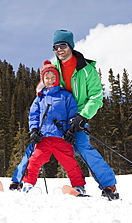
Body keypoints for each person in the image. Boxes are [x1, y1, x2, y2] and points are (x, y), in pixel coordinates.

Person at [11, 29, 118, 199]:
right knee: (34, 148)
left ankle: (108, 186)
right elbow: (42, 88)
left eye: (63, 45)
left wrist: (83, 116)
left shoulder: (86, 70)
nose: (59, 50)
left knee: (83, 148)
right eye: (55, 47)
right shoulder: (53, 66)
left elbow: (97, 96)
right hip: (56, 120)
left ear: (71, 46)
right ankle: (17, 182)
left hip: (78, 117)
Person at [21, 60, 86, 194]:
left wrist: (71, 130)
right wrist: (33, 130)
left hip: (61, 136)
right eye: (47, 78)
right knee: (34, 161)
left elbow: (72, 114)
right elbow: (33, 115)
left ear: (57, 78)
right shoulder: (40, 98)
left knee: (70, 163)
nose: (50, 80)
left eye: (53, 77)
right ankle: (28, 184)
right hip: (43, 137)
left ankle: (79, 186)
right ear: (43, 79)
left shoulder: (66, 95)